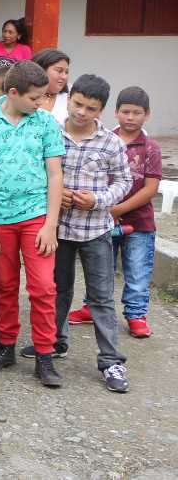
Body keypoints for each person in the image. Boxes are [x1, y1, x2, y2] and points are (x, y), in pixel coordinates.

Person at [0, 60, 65, 387]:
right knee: (4, 285)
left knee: (42, 287)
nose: (40, 103)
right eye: (35, 98)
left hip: (37, 217)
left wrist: (51, 223)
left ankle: (44, 355)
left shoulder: (45, 123)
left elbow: (55, 174)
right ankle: (5, 347)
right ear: (13, 92)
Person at [33, 75, 130, 392]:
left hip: (96, 231)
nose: (82, 112)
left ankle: (111, 361)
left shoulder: (111, 142)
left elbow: (124, 182)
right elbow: (36, 172)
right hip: (57, 230)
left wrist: (99, 200)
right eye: (77, 104)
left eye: (91, 108)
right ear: (69, 97)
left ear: (101, 110)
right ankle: (52, 343)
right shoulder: (50, 133)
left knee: (101, 298)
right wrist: (54, 194)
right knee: (56, 291)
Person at [100, 87, 161, 339]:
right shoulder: (103, 141)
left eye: (137, 113)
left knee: (137, 271)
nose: (130, 117)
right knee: (101, 268)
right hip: (103, 220)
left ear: (147, 115)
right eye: (125, 111)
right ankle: (91, 308)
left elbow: (151, 189)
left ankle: (136, 315)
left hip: (140, 222)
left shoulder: (151, 148)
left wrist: (119, 209)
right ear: (116, 112)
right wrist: (107, 209)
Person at [32, 48, 71, 124]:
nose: (64, 77)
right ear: (41, 69)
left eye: (66, 72)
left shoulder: (70, 99)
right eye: (59, 71)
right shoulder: (23, 95)